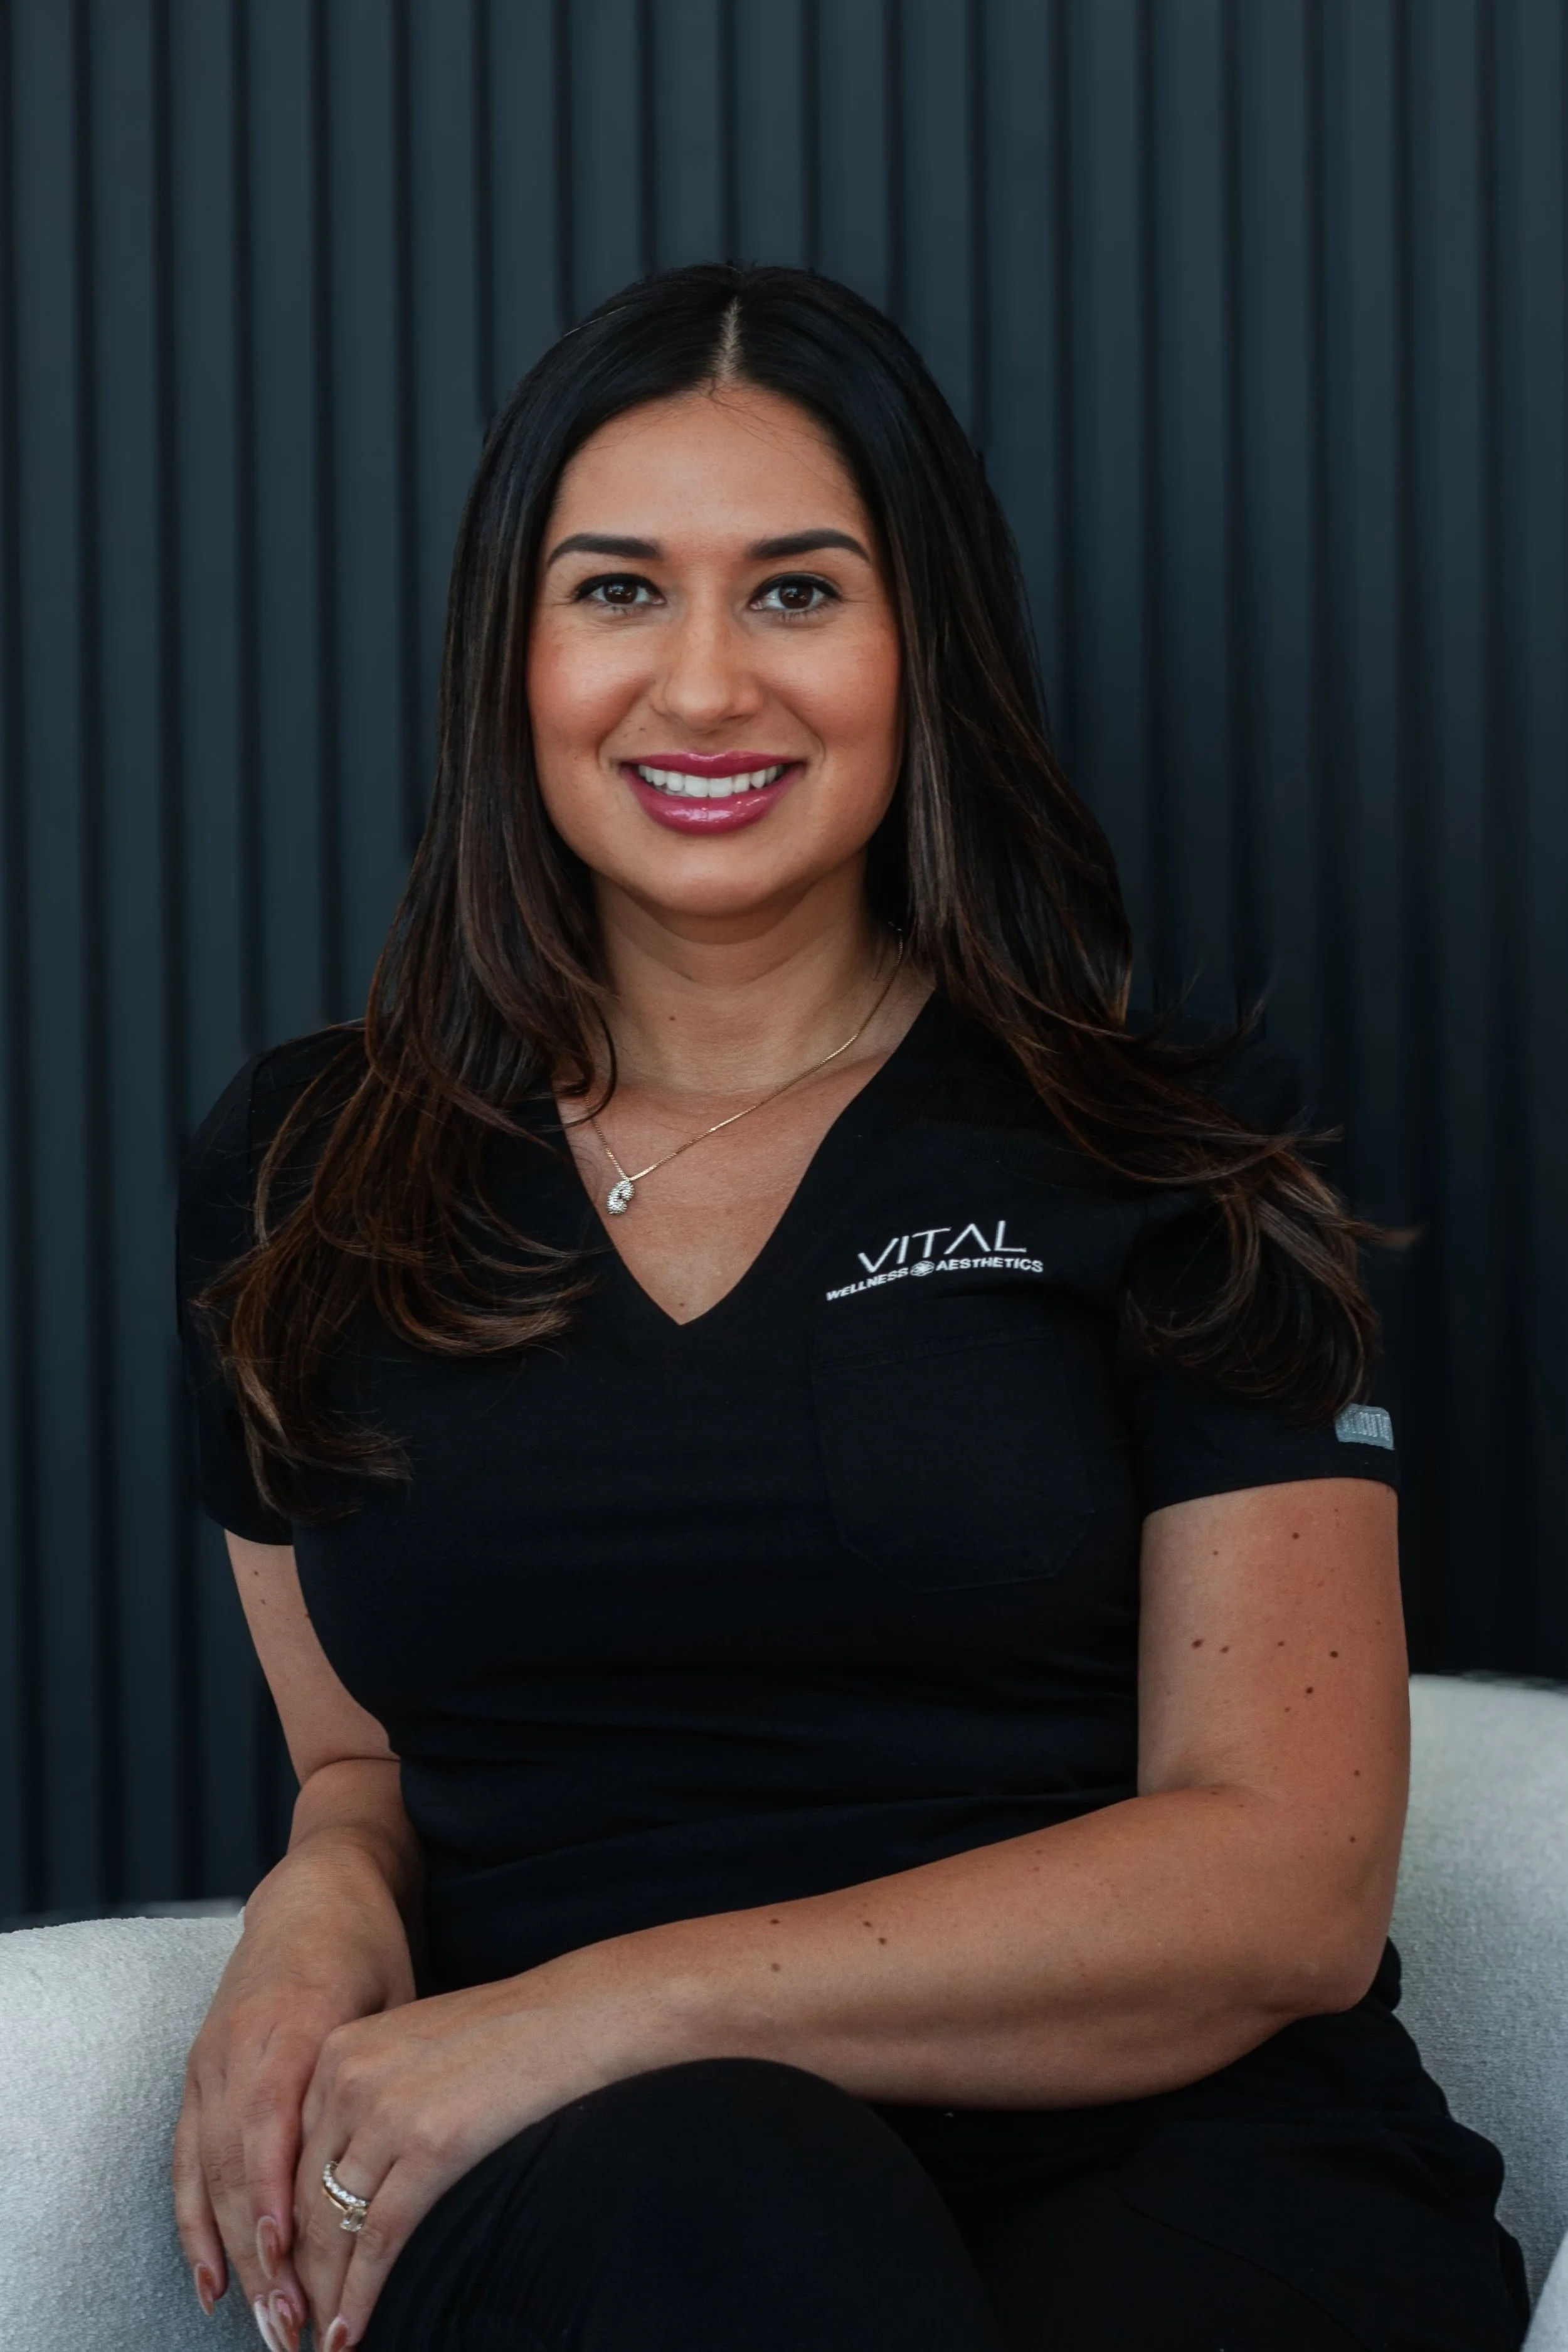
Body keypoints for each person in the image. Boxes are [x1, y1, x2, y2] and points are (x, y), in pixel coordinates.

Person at [174, 263, 1527, 2352]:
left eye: (795, 592)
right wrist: (319, 1897)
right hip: (605, 2225)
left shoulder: (1163, 1150)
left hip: (1169, 2178)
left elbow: (1286, 1887)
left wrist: (606, 2008)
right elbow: (365, 1757)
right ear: (509, 657)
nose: (704, 683)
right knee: (719, 2192)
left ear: (924, 652)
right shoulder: (304, 1173)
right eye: (618, 590)